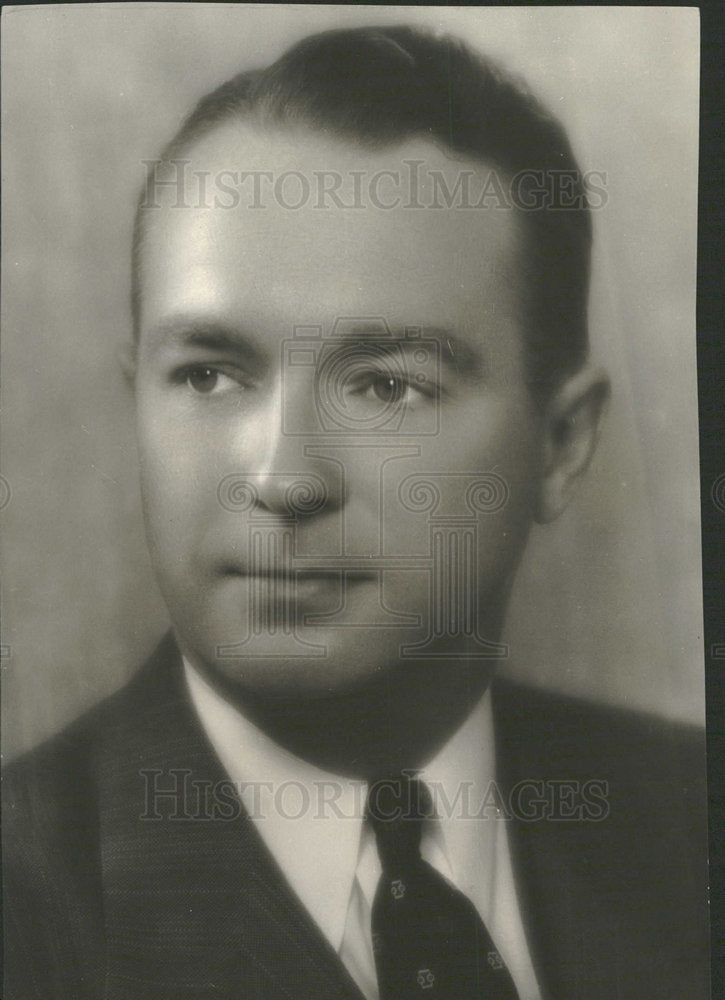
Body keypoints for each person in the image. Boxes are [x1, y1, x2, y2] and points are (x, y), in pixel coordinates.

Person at [3, 25, 710, 1000]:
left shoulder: (687, 820)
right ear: (137, 399)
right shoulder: (28, 902)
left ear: (560, 444)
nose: (284, 478)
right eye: (209, 375)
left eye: (386, 387)